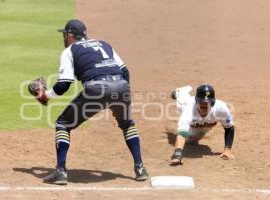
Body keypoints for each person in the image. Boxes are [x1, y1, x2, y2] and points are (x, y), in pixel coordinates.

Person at [36, 19, 148, 185]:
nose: (64, 38)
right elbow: (125, 71)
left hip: (97, 88)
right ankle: (140, 168)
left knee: (63, 124)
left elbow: (64, 84)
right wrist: (118, 93)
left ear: (70, 36)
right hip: (121, 86)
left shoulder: (70, 50)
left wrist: (46, 95)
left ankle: (60, 172)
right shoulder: (104, 44)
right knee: (127, 124)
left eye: (65, 35)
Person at [169, 84, 235, 165]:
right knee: (182, 100)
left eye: (207, 103)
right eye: (201, 102)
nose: (204, 105)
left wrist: (227, 150)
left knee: (193, 140)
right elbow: (182, 134)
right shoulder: (188, 109)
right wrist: (177, 155)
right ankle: (180, 92)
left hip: (203, 123)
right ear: (196, 101)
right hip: (185, 103)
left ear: (213, 102)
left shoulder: (221, 108)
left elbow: (229, 128)